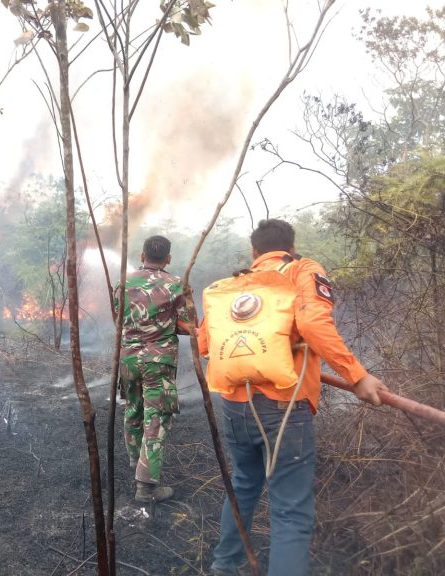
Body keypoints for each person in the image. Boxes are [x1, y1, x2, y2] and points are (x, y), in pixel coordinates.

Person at [197, 219, 388, 576]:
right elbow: (315, 324)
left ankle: (224, 566)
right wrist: (356, 376)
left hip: (236, 405)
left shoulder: (231, 285)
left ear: (254, 253)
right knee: (290, 510)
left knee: (243, 484)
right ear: (290, 246)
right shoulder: (302, 270)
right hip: (283, 407)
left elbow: (205, 344)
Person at [115, 235, 193, 502]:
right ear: (168, 259)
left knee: (133, 410)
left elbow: (119, 319)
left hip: (128, 360)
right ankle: (147, 487)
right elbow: (191, 325)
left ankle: (136, 463)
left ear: (142, 255)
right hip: (158, 362)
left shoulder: (123, 282)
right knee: (156, 418)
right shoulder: (175, 285)